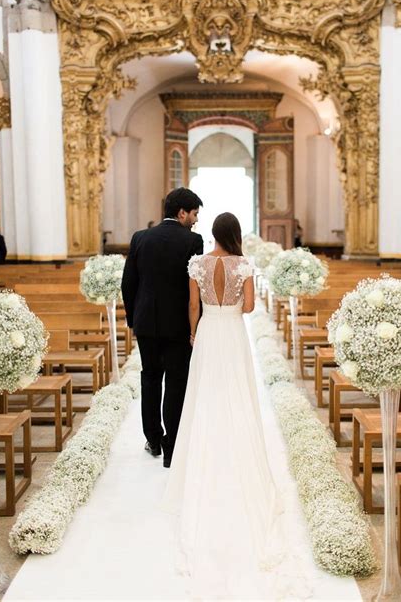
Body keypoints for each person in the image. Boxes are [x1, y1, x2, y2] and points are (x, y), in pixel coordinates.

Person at [161, 213, 301, 599]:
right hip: (232, 333)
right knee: (237, 389)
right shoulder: (243, 264)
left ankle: (208, 446)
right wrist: (233, 301)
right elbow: (250, 308)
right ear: (234, 235)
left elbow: (193, 306)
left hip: (208, 332)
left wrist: (194, 332)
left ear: (213, 234)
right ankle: (236, 444)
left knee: (205, 391)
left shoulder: (198, 263)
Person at [121, 187, 203, 467]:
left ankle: (153, 439)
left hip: (146, 323)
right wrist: (196, 325)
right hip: (178, 325)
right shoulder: (193, 241)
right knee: (176, 383)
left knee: (150, 379)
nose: (195, 220)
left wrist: (134, 319)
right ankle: (172, 447)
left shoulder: (140, 238)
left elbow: (128, 283)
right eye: (194, 214)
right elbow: (195, 290)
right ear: (182, 212)